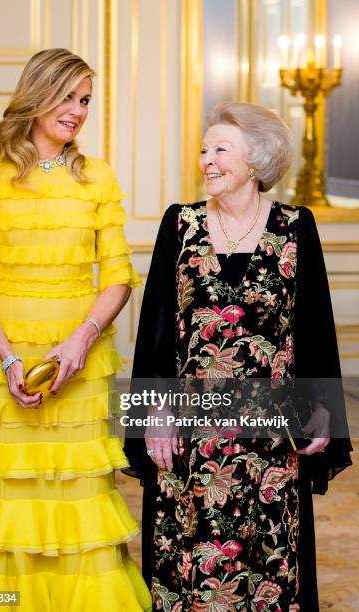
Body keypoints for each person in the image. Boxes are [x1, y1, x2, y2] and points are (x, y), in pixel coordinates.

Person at [124, 102, 352, 611]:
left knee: (268, 568)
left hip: (271, 437)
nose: (207, 160)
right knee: (189, 569)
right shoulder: (178, 225)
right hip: (192, 436)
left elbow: (314, 330)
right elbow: (155, 331)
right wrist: (152, 415)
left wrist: (320, 407)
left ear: (257, 159)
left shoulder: (296, 227)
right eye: (203, 150)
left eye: (220, 149)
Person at [0, 48, 151, 611]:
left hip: (78, 367)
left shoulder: (95, 178)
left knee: (80, 498)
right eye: (67, 96)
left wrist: (81, 340)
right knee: (6, 503)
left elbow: (117, 278)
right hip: (2, 365)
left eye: (85, 100)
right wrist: (11, 360)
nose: (77, 111)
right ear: (36, 95)